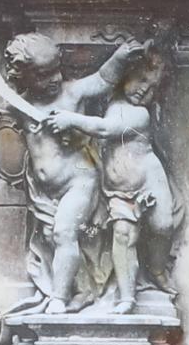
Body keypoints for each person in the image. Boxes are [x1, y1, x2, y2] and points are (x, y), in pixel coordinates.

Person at [0, 33, 145, 313]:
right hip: (44, 194)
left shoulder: (71, 93)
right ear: (23, 76)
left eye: (56, 70)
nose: (55, 79)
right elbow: (5, 137)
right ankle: (79, 290)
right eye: (43, 75)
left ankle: (58, 298)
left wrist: (119, 57)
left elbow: (101, 79)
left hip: (79, 181)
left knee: (63, 233)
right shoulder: (19, 106)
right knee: (55, 239)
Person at [44, 44, 177, 314]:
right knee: (123, 236)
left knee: (163, 226)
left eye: (152, 87)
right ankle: (127, 297)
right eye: (141, 79)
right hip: (118, 190)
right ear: (126, 74)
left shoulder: (139, 114)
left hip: (149, 182)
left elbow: (106, 129)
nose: (144, 90)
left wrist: (70, 119)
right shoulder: (113, 104)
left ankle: (157, 268)